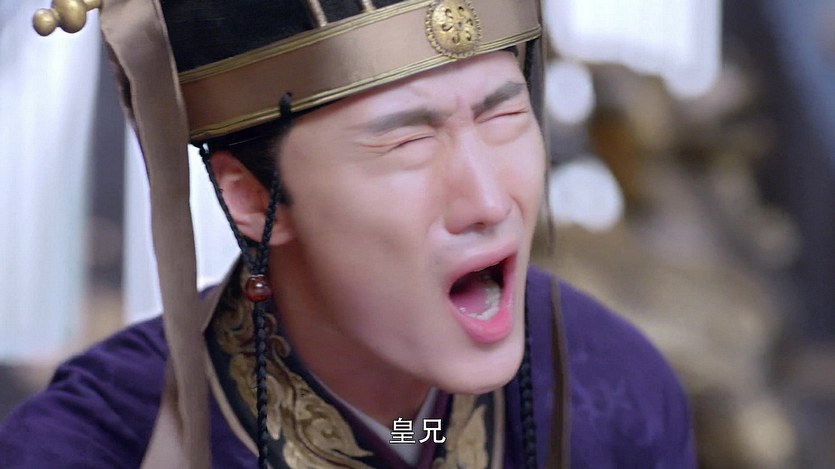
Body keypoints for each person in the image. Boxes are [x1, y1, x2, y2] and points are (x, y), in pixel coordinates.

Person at [0, 0, 696, 467]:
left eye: (503, 116)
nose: (489, 201)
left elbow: (413, 432)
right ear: (252, 198)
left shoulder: (609, 388)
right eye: (408, 142)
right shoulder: (92, 446)